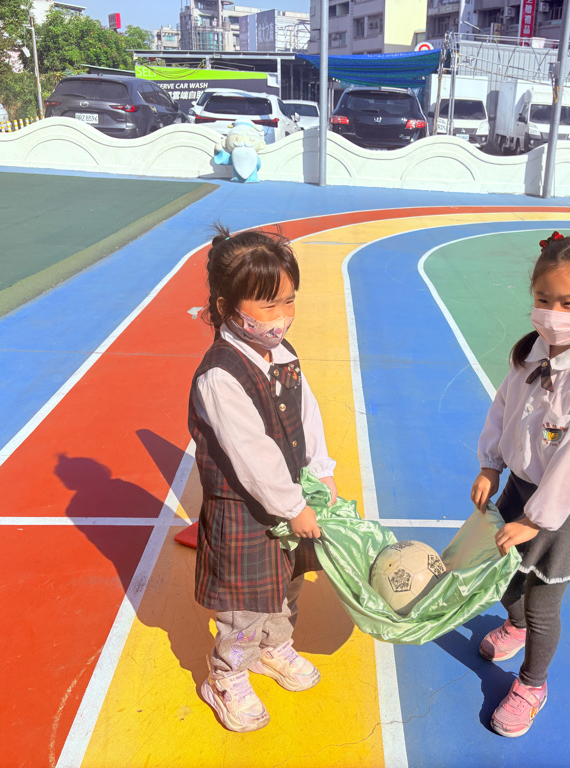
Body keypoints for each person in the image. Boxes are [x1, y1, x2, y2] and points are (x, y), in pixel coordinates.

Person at [470, 230, 570, 737]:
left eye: (568, 303)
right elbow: (504, 408)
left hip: (560, 510)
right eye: (543, 299)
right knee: (506, 578)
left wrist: (534, 520)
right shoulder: (533, 352)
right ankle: (514, 625)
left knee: (542, 603)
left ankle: (532, 684)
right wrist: (490, 464)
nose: (552, 312)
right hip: (520, 489)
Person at [188, 225, 337, 732]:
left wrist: (321, 472)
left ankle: (275, 645)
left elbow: (308, 414)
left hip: (291, 500)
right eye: (268, 305)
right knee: (243, 606)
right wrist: (293, 507)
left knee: (287, 583)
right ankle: (226, 675)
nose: (281, 316)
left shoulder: (284, 354)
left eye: (289, 301)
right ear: (227, 306)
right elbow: (251, 455)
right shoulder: (220, 375)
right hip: (245, 512)